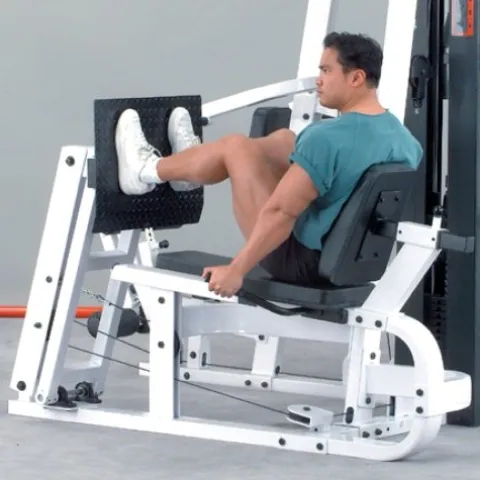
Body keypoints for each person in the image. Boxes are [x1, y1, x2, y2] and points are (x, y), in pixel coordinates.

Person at [115, 31, 423, 298]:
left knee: (236, 148)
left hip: (296, 259)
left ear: (356, 78)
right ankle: (191, 163)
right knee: (286, 139)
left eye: (327, 70)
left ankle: (146, 170)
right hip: (340, 258)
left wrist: (236, 270)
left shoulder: (327, 137)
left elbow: (281, 212)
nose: (319, 79)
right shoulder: (407, 142)